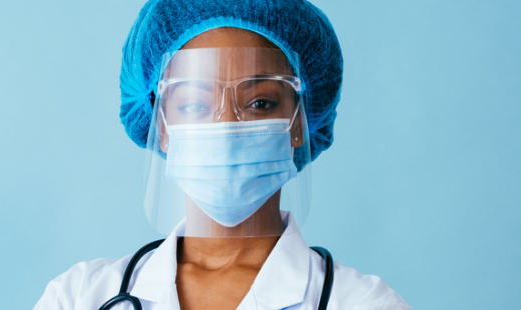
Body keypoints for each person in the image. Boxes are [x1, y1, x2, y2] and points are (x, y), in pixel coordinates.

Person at [34, 0, 411, 309]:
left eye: (260, 102)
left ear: (300, 123)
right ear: (161, 127)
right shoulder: (79, 297)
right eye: (196, 105)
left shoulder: (361, 303)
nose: (227, 125)